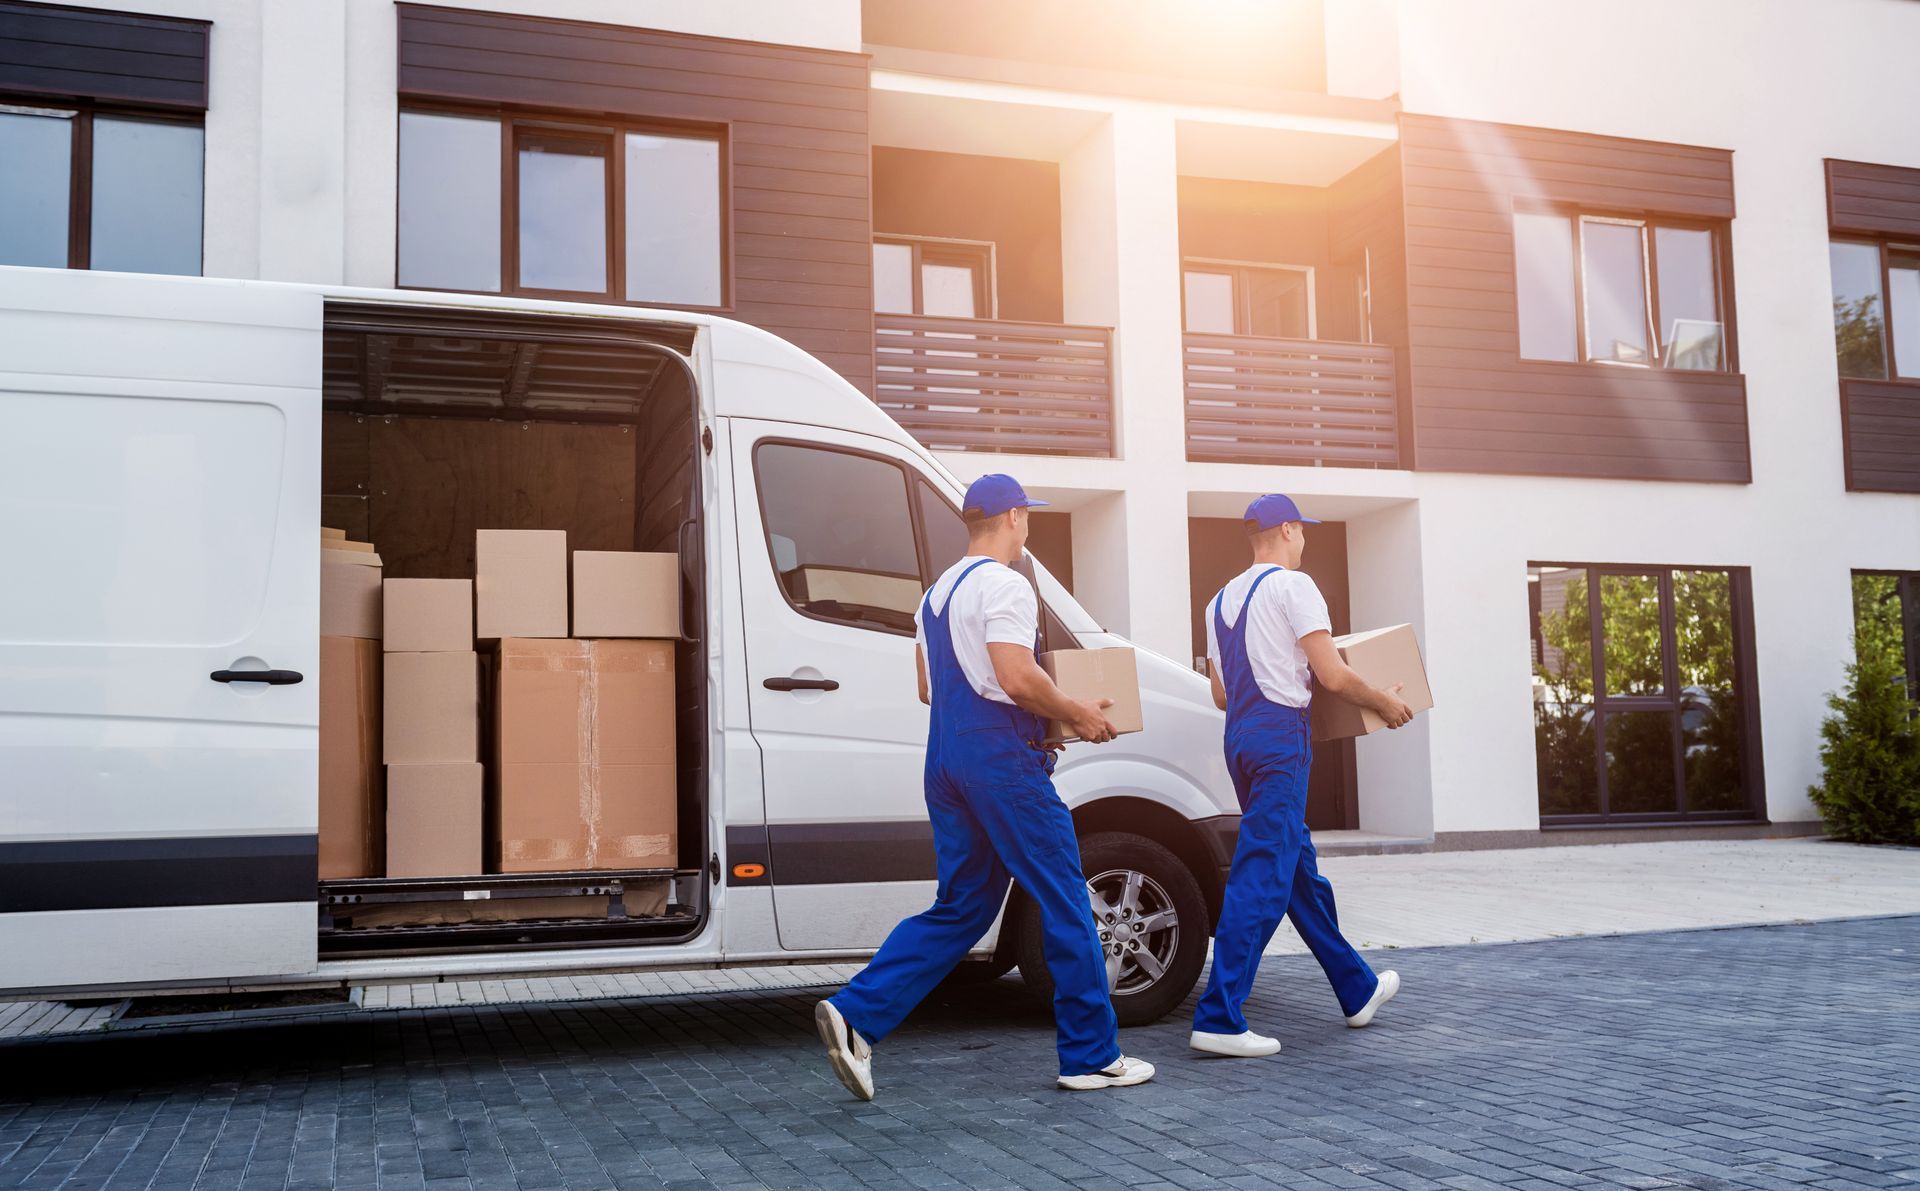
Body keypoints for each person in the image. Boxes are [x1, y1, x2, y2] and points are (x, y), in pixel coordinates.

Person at [816, 473, 1156, 1099]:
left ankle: (857, 1012)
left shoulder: (936, 594)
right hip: (1001, 763)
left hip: (946, 757)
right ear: (1014, 517)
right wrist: (1074, 714)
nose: (1029, 529)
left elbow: (929, 688)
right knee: (1064, 898)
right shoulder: (1007, 583)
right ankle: (1090, 1056)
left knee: (964, 905)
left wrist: (1031, 720)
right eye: (1028, 518)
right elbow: (1015, 674)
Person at [1189, 493, 1415, 1059]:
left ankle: (1356, 988)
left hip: (1239, 736)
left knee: (1296, 872)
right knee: (1263, 871)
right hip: (1280, 741)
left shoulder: (1218, 601)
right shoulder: (1295, 587)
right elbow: (1333, 674)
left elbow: (1220, 693)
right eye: (1302, 529)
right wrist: (1383, 703)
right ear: (1288, 529)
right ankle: (1219, 1016)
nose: (1305, 538)